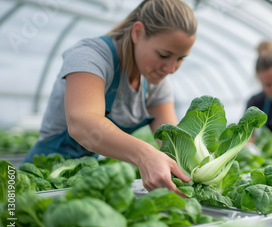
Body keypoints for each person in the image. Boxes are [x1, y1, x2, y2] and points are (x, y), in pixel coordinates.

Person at [23, 0, 196, 196]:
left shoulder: (156, 84)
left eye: (180, 59)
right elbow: (82, 124)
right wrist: (144, 154)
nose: (171, 69)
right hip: (41, 177)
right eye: (164, 55)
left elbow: (173, 144)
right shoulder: (91, 56)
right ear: (137, 32)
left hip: (83, 179)